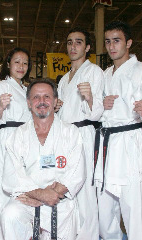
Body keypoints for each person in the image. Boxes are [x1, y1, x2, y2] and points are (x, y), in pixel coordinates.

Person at [95, 21, 142, 240]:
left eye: (116, 40)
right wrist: (100, 104)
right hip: (107, 144)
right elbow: (96, 110)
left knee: (133, 210)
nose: (111, 46)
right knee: (105, 214)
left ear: (129, 43)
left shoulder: (141, 70)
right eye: (108, 42)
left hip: (129, 142)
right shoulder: (106, 73)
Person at [1, 79, 86, 240]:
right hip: (28, 200)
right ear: (28, 103)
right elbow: (12, 174)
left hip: (60, 201)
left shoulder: (70, 132)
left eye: (46, 97)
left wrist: (52, 194)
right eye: (36, 97)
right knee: (10, 213)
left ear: (55, 102)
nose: (41, 102)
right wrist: (40, 194)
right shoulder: (18, 135)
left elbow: (76, 171)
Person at [56, 27, 104, 240]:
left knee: (85, 192)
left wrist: (91, 98)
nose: (73, 46)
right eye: (69, 42)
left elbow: (97, 111)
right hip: (65, 135)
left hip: (84, 132)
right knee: (67, 189)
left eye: (78, 42)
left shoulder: (94, 71)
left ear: (87, 47)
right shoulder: (64, 78)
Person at [0, 47, 32, 240]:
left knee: (24, 193)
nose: (21, 66)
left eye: (25, 63)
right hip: (8, 138)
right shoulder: (1, 87)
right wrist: (0, 106)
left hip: (26, 140)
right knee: (6, 193)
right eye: (17, 62)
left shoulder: (26, 89)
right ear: (8, 64)